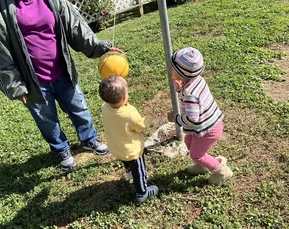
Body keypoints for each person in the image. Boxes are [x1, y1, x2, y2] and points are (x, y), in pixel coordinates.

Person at [0, 0, 122, 171]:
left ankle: (89, 139)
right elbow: (1, 47)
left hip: (62, 71)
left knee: (79, 107)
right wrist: (15, 86)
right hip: (34, 80)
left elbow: (75, 27)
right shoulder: (2, 3)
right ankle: (61, 149)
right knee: (46, 119)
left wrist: (100, 46)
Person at [168, 47, 233, 184]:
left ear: (180, 73)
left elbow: (192, 118)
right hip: (208, 123)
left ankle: (221, 170)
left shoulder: (190, 94)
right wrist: (180, 87)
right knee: (188, 142)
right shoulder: (197, 80)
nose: (170, 69)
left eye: (172, 67)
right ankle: (202, 165)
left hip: (208, 129)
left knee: (196, 154)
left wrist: (176, 119)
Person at [99, 75, 159, 204]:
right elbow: (142, 126)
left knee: (127, 163)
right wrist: (148, 113)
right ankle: (142, 193)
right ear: (124, 97)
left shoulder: (105, 107)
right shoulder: (130, 113)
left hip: (117, 148)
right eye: (127, 91)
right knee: (140, 171)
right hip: (133, 152)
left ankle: (129, 172)